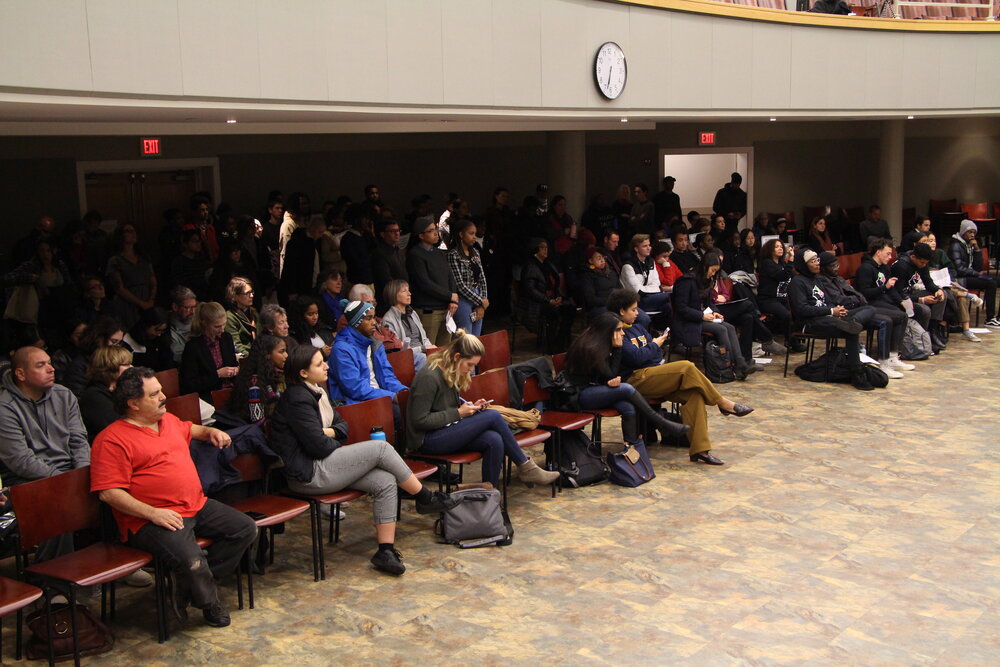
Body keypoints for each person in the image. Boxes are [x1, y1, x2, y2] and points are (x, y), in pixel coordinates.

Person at [91, 367, 257, 627]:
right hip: (151, 518)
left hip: (196, 504)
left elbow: (190, 429)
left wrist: (210, 432)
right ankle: (209, 603)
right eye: (155, 394)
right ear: (133, 404)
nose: (163, 397)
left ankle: (186, 586)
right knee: (191, 561)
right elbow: (109, 493)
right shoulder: (111, 440)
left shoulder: (166, 420)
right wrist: (153, 513)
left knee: (245, 529)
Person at [270, 346, 455, 575]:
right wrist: (330, 434)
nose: (327, 366)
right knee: (380, 448)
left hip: (328, 464)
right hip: (310, 474)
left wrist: (329, 432)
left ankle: (385, 551)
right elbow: (317, 447)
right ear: (303, 373)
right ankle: (424, 496)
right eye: (319, 364)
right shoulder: (297, 398)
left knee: (385, 480)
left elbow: (342, 427)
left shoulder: (318, 391)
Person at [607, 289, 751, 464]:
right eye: (633, 310)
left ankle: (700, 451)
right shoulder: (615, 330)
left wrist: (651, 348)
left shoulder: (637, 327)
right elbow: (634, 358)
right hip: (633, 381)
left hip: (652, 374)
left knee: (694, 394)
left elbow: (653, 356)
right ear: (622, 311)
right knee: (686, 366)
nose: (638, 313)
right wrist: (654, 345)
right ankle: (723, 403)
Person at [406, 331, 559, 490]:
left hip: (446, 430)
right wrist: (459, 413)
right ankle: (525, 466)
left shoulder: (450, 369)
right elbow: (419, 420)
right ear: (457, 356)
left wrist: (471, 407)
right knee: (492, 416)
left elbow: (444, 405)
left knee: (494, 439)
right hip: (427, 440)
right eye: (470, 365)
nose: (471, 370)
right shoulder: (429, 376)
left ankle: (489, 496)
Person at [564, 312, 691, 444]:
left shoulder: (602, 345)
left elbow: (608, 376)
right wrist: (618, 351)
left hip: (596, 390)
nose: (623, 333)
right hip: (579, 396)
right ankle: (661, 422)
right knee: (626, 389)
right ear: (606, 331)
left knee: (627, 406)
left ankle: (632, 449)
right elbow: (609, 375)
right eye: (618, 330)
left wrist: (614, 361)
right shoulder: (590, 348)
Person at [789, 249, 875, 390]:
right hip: (810, 322)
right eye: (813, 261)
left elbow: (828, 301)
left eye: (817, 260)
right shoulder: (797, 282)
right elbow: (802, 310)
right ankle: (857, 374)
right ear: (803, 264)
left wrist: (838, 310)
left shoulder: (817, 279)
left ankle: (852, 321)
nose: (817, 264)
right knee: (851, 332)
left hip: (830, 317)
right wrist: (830, 311)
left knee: (870, 309)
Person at [815, 252, 909, 379]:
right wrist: (856, 300)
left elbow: (858, 295)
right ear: (824, 268)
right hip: (845, 313)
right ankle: (884, 363)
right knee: (885, 321)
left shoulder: (838, 279)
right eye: (832, 266)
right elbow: (839, 301)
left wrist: (856, 300)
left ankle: (893, 356)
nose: (836, 268)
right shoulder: (822, 281)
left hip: (859, 309)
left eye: (837, 265)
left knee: (901, 316)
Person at [671, 252, 760, 380]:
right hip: (689, 320)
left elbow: (709, 303)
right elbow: (681, 308)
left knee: (729, 327)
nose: (713, 274)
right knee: (722, 329)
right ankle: (731, 365)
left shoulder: (707, 280)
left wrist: (714, 311)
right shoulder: (687, 281)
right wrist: (701, 316)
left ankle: (740, 363)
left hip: (702, 316)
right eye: (712, 270)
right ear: (705, 267)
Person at [328, 300, 407, 406]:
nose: (374, 322)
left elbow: (387, 376)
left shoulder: (375, 344)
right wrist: (392, 397)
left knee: (412, 406)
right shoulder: (341, 350)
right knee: (400, 414)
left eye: (374, 317)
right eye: (368, 318)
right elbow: (355, 388)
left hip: (380, 396)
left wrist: (402, 392)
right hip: (355, 404)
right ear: (356, 322)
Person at [406, 218, 459, 347]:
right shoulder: (415, 255)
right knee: (430, 351)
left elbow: (450, 275)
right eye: (430, 231)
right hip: (428, 310)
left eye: (435, 229)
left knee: (445, 350)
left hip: (446, 309)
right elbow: (424, 283)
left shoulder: (439, 253)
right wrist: (449, 296)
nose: (436, 233)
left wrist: (453, 298)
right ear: (421, 235)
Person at [922, 232, 983, 342]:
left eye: (934, 240)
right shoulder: (920, 256)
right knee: (947, 293)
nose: (933, 243)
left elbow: (952, 269)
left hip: (944, 281)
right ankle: (968, 295)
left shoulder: (940, 253)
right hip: (928, 286)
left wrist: (948, 275)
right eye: (930, 241)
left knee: (960, 298)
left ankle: (966, 330)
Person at [519, 238, 575, 354]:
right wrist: (548, 300)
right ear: (536, 249)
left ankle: (562, 340)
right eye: (542, 248)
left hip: (551, 298)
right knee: (552, 312)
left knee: (570, 308)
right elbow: (531, 290)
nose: (545, 250)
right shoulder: (531, 266)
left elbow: (555, 285)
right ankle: (552, 345)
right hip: (537, 303)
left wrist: (558, 296)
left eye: (546, 247)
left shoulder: (548, 264)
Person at [892, 242, 949, 352]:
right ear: (913, 257)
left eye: (925, 263)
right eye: (922, 263)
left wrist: (937, 290)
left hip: (911, 293)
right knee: (924, 309)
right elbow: (898, 293)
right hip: (901, 298)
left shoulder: (922, 263)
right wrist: (921, 300)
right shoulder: (901, 266)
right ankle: (919, 339)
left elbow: (928, 281)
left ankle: (932, 332)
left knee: (943, 294)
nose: (923, 265)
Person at [180, 302, 239, 401]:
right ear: (205, 323)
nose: (222, 330)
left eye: (224, 325)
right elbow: (189, 385)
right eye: (217, 326)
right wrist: (217, 374)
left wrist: (236, 370)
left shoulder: (226, 338)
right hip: (208, 395)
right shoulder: (193, 347)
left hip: (232, 391)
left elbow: (232, 364)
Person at [223, 335, 286, 424]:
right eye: (281, 352)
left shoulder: (279, 375)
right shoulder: (255, 384)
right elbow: (258, 421)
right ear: (267, 354)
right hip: (260, 431)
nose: (286, 355)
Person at [948, 219, 999, 327]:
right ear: (963, 232)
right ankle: (990, 318)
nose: (972, 235)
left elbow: (978, 267)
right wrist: (976, 274)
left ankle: (996, 317)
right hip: (959, 279)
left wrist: (976, 250)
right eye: (969, 232)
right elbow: (959, 269)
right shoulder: (956, 245)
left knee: (995, 281)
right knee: (991, 283)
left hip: (969, 275)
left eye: (974, 233)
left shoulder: (967, 245)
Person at [106, 223, 157, 330]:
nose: (133, 234)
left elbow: (153, 280)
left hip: (147, 298)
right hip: (128, 302)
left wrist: (151, 299)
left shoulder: (144, 258)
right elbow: (119, 288)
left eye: (134, 231)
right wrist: (140, 303)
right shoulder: (115, 260)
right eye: (128, 231)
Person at [79, 344, 134, 441]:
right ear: (110, 367)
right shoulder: (94, 396)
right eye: (126, 364)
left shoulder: (121, 390)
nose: (132, 368)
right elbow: (118, 428)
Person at [447, 218, 489, 336]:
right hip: (463, 299)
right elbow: (459, 284)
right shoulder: (453, 255)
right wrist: (481, 301)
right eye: (471, 233)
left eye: (475, 234)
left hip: (478, 295)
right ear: (461, 234)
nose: (474, 237)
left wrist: (483, 300)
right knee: (466, 336)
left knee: (476, 337)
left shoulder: (475, 252)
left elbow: (482, 278)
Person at [381, 280, 432, 372]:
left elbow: (424, 338)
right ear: (394, 295)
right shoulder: (388, 319)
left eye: (408, 290)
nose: (409, 294)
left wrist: (432, 350)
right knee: (423, 359)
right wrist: (422, 349)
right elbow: (398, 349)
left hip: (423, 353)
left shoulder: (413, 313)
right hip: (407, 358)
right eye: (404, 291)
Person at [620, 234, 672, 316]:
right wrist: (654, 289)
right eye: (645, 246)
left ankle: (662, 328)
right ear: (636, 249)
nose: (649, 248)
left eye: (649, 245)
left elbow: (657, 284)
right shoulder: (628, 266)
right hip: (637, 302)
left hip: (654, 297)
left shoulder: (650, 262)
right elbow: (639, 291)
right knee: (672, 294)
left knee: (669, 306)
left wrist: (651, 288)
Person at [123, 307, 175, 371]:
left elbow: (168, 365)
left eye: (162, 331)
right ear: (146, 325)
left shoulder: (162, 340)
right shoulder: (128, 341)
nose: (159, 334)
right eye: (157, 330)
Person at [372, 218, 408, 310]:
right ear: (383, 234)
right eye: (392, 231)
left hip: (403, 295)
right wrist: (401, 292)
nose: (397, 234)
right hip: (389, 300)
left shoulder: (399, 250)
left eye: (398, 230)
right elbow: (385, 279)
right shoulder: (379, 253)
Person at [340, 203, 377, 291]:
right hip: (356, 282)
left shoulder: (367, 236)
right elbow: (356, 263)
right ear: (356, 219)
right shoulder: (348, 238)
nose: (368, 221)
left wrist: (372, 234)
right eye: (365, 218)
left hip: (370, 280)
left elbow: (377, 251)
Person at [170, 230, 212, 301]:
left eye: (199, 241)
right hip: (188, 297)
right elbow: (180, 283)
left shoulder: (201, 259)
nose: (199, 244)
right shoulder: (179, 262)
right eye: (195, 241)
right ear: (185, 244)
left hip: (205, 295)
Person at [223, 277, 260, 358]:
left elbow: (262, 338)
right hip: (245, 359)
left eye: (252, 292)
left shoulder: (254, 313)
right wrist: (253, 360)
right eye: (247, 293)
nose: (252, 295)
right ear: (235, 296)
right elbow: (236, 346)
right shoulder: (230, 317)